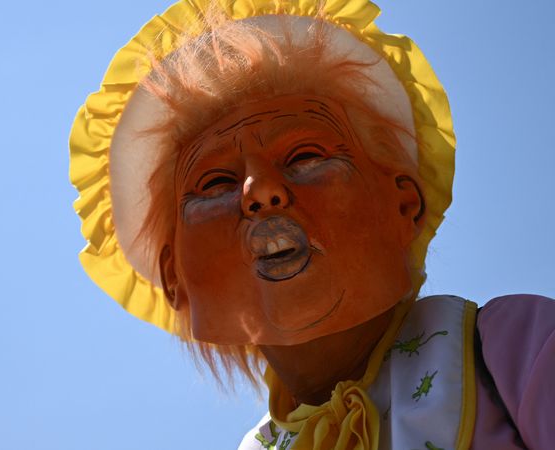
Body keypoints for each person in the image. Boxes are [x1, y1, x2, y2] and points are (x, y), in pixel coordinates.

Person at [69, 1, 554, 448]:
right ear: (176, 281)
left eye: (304, 155)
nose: (259, 190)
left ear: (404, 204)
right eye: (215, 183)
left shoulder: (513, 346)